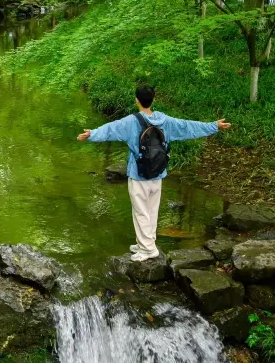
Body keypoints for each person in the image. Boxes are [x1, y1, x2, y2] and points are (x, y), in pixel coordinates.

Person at [77, 84, 231, 262]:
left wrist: (91, 134)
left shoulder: (131, 121)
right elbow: (187, 127)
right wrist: (214, 126)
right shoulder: (164, 121)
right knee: (151, 210)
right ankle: (146, 243)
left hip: (139, 174)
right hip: (158, 172)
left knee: (141, 212)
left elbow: (111, 129)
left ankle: (147, 250)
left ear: (137, 100)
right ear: (153, 100)